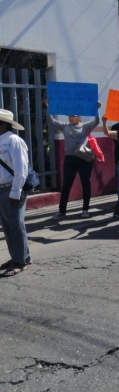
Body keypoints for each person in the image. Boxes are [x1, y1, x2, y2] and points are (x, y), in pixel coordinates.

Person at [45, 99, 101, 219]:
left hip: (84, 159)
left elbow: (97, 121)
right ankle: (62, 211)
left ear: (79, 117)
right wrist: (48, 107)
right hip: (70, 159)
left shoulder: (86, 126)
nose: (70, 118)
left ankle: (85, 209)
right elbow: (52, 121)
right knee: (66, 185)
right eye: (69, 116)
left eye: (73, 116)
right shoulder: (65, 126)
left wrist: (96, 109)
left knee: (86, 183)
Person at [0, 109, 31, 277]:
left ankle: (19, 262)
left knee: (16, 226)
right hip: (1, 188)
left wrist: (15, 192)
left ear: (3, 124)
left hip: (11, 189)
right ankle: (20, 256)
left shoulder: (13, 141)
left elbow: (21, 170)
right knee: (7, 226)